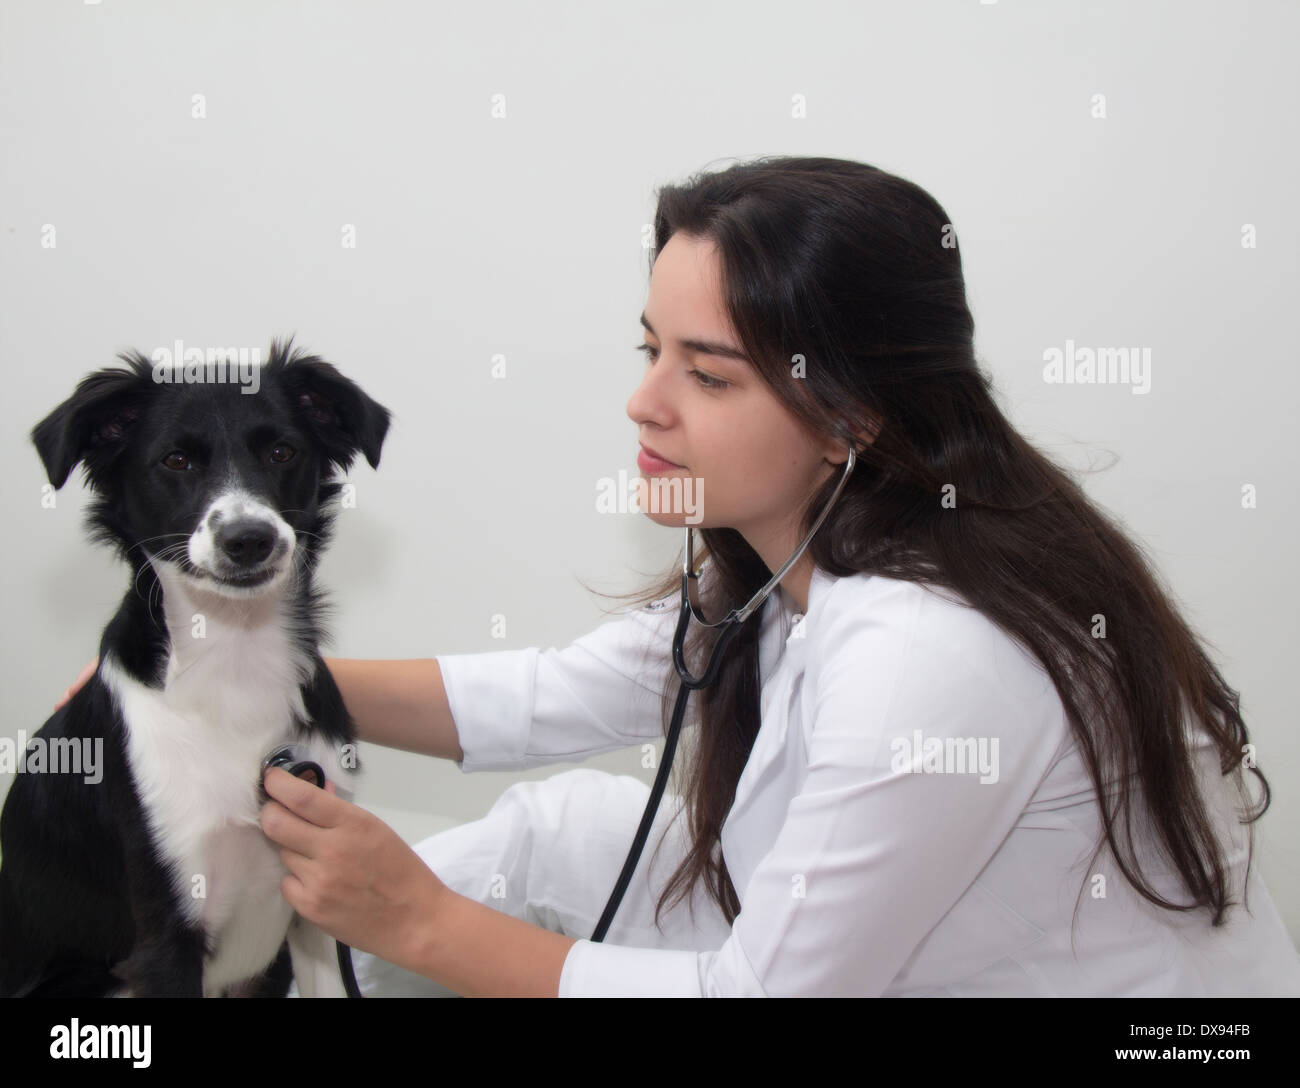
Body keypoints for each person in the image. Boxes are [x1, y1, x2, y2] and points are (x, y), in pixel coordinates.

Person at [55, 156, 1300, 998]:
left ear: (849, 408)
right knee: (557, 826)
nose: (643, 403)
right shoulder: (799, 554)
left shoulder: (933, 652)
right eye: (651, 349)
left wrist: (417, 920)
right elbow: (553, 695)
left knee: (446, 899)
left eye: (708, 374)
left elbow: (765, 997)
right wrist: (213, 688)